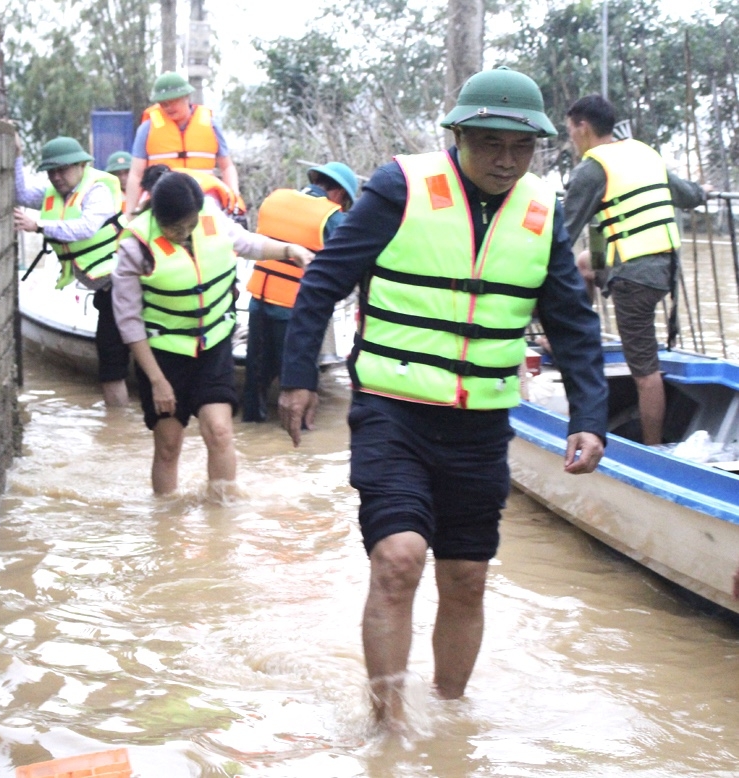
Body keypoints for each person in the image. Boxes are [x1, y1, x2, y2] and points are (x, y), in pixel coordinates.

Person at [277, 67, 609, 731]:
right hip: (392, 414)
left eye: (522, 148)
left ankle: (450, 727)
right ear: (457, 133)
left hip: (481, 425)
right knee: (398, 559)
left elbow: (571, 323)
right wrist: (297, 377)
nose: (506, 161)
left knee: (466, 578)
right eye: (490, 143)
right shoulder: (399, 187)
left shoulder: (541, 212)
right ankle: (388, 729)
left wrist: (589, 418)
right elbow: (323, 283)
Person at [112, 171, 312, 495]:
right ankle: (166, 530)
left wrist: (291, 250)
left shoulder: (210, 216)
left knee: (219, 431)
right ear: (156, 217)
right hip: (163, 357)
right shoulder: (135, 246)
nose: (184, 234)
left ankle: (223, 524)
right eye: (175, 229)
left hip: (213, 346)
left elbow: (248, 244)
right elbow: (129, 321)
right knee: (168, 444)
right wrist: (157, 381)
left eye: (189, 225)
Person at [563, 94, 712, 445]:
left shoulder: (591, 168)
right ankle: (585, 335)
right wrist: (703, 192)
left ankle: (653, 447)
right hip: (663, 267)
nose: (570, 137)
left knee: (645, 373)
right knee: (586, 264)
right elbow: (686, 194)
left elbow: (563, 232)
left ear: (583, 127)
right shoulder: (644, 152)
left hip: (634, 278)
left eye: (570, 130)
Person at [14, 134, 130, 407]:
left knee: (113, 370)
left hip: (125, 287)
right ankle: (119, 431)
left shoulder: (97, 191)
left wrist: (39, 225)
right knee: (111, 368)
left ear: (81, 165)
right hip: (105, 291)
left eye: (62, 169)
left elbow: (86, 228)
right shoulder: (54, 194)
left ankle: (119, 426)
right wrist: (17, 154)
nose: (56, 176)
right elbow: (19, 194)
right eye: (51, 171)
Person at [241, 162, 359, 422]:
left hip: (259, 300)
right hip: (296, 311)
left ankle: (252, 428)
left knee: (255, 381)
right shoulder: (332, 216)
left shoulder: (275, 198)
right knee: (297, 384)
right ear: (339, 193)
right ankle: (300, 444)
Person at [123, 72, 240, 214]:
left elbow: (227, 167)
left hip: (204, 195)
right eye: (163, 103)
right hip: (162, 196)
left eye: (173, 101)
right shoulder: (147, 128)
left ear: (187, 97)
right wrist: (129, 214)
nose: (168, 107)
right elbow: (136, 174)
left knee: (215, 226)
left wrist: (234, 197)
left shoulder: (210, 125)